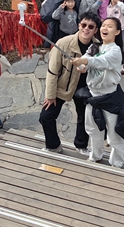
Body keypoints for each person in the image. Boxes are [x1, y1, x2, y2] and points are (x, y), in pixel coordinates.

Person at [39, 11, 102, 154]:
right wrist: (50, 95)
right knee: (46, 117)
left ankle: (81, 144)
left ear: (95, 30)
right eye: (84, 25)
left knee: (84, 117)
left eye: (91, 27)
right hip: (63, 86)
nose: (86, 29)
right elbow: (52, 71)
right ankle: (54, 145)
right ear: (79, 25)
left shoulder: (98, 48)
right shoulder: (63, 43)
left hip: (85, 87)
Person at [71, 17, 124, 167]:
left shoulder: (115, 51)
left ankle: (117, 162)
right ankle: (95, 156)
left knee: (114, 132)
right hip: (93, 95)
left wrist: (84, 62)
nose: (105, 28)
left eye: (109, 26)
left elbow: (101, 62)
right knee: (92, 128)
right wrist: (80, 66)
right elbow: (85, 64)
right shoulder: (94, 47)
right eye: (103, 26)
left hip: (110, 96)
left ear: (117, 32)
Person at [107, 0, 124, 73]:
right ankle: (113, 64)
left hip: (121, 29)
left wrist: (119, 2)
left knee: (123, 48)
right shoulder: (107, 7)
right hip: (110, 31)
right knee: (111, 48)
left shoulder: (120, 6)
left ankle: (121, 65)